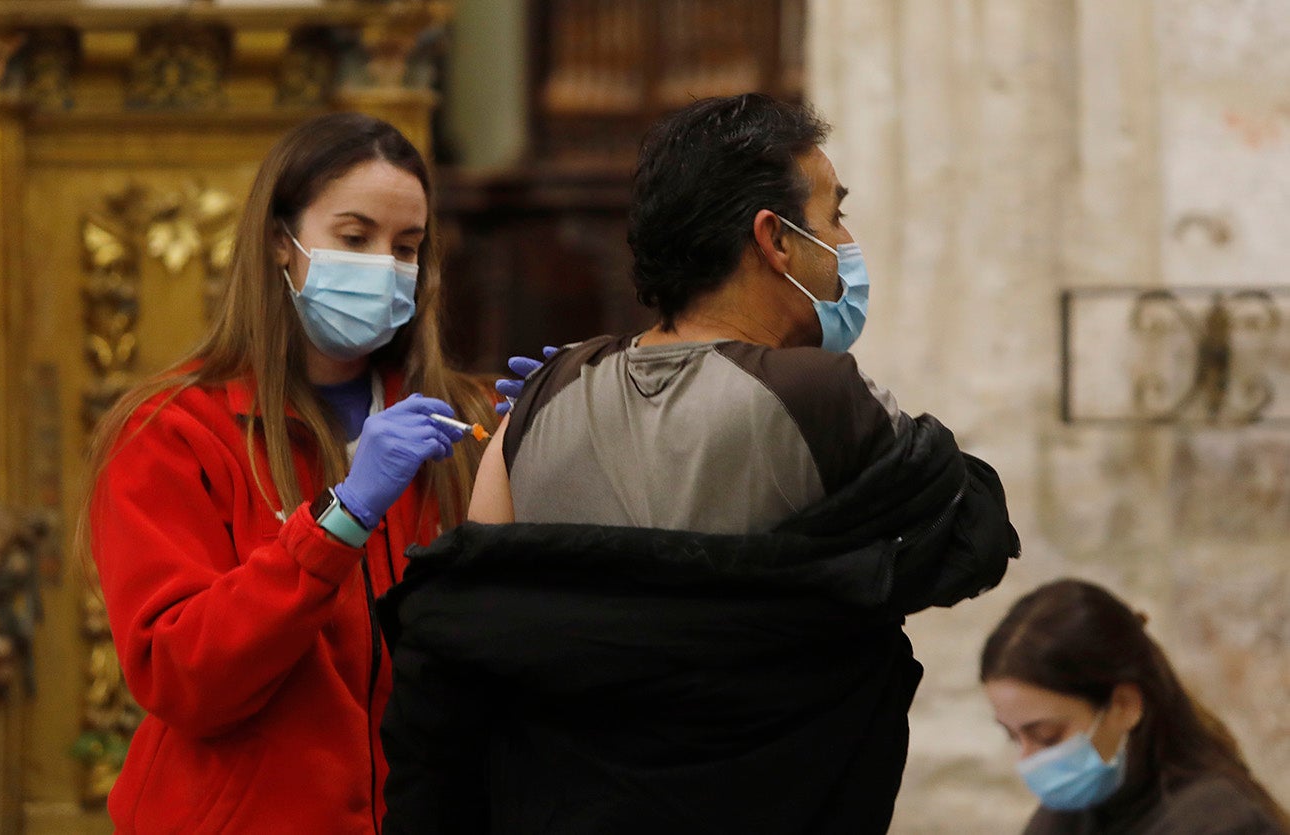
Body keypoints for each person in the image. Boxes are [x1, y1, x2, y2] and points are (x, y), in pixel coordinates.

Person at [376, 93, 1021, 834]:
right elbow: (971, 535)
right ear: (774, 239)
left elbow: (475, 621)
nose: (847, 238)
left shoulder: (537, 404)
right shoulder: (823, 397)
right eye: (835, 215)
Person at [78, 112, 496, 833]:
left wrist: (559, 427)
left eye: (407, 247)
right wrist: (342, 516)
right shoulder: (173, 430)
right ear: (282, 241)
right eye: (355, 238)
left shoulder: (452, 426)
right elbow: (183, 675)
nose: (385, 268)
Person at [981, 578, 1290, 835]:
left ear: (1125, 706)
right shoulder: (1064, 818)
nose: (1027, 761)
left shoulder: (1221, 823)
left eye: (1048, 735)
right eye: (1013, 737)